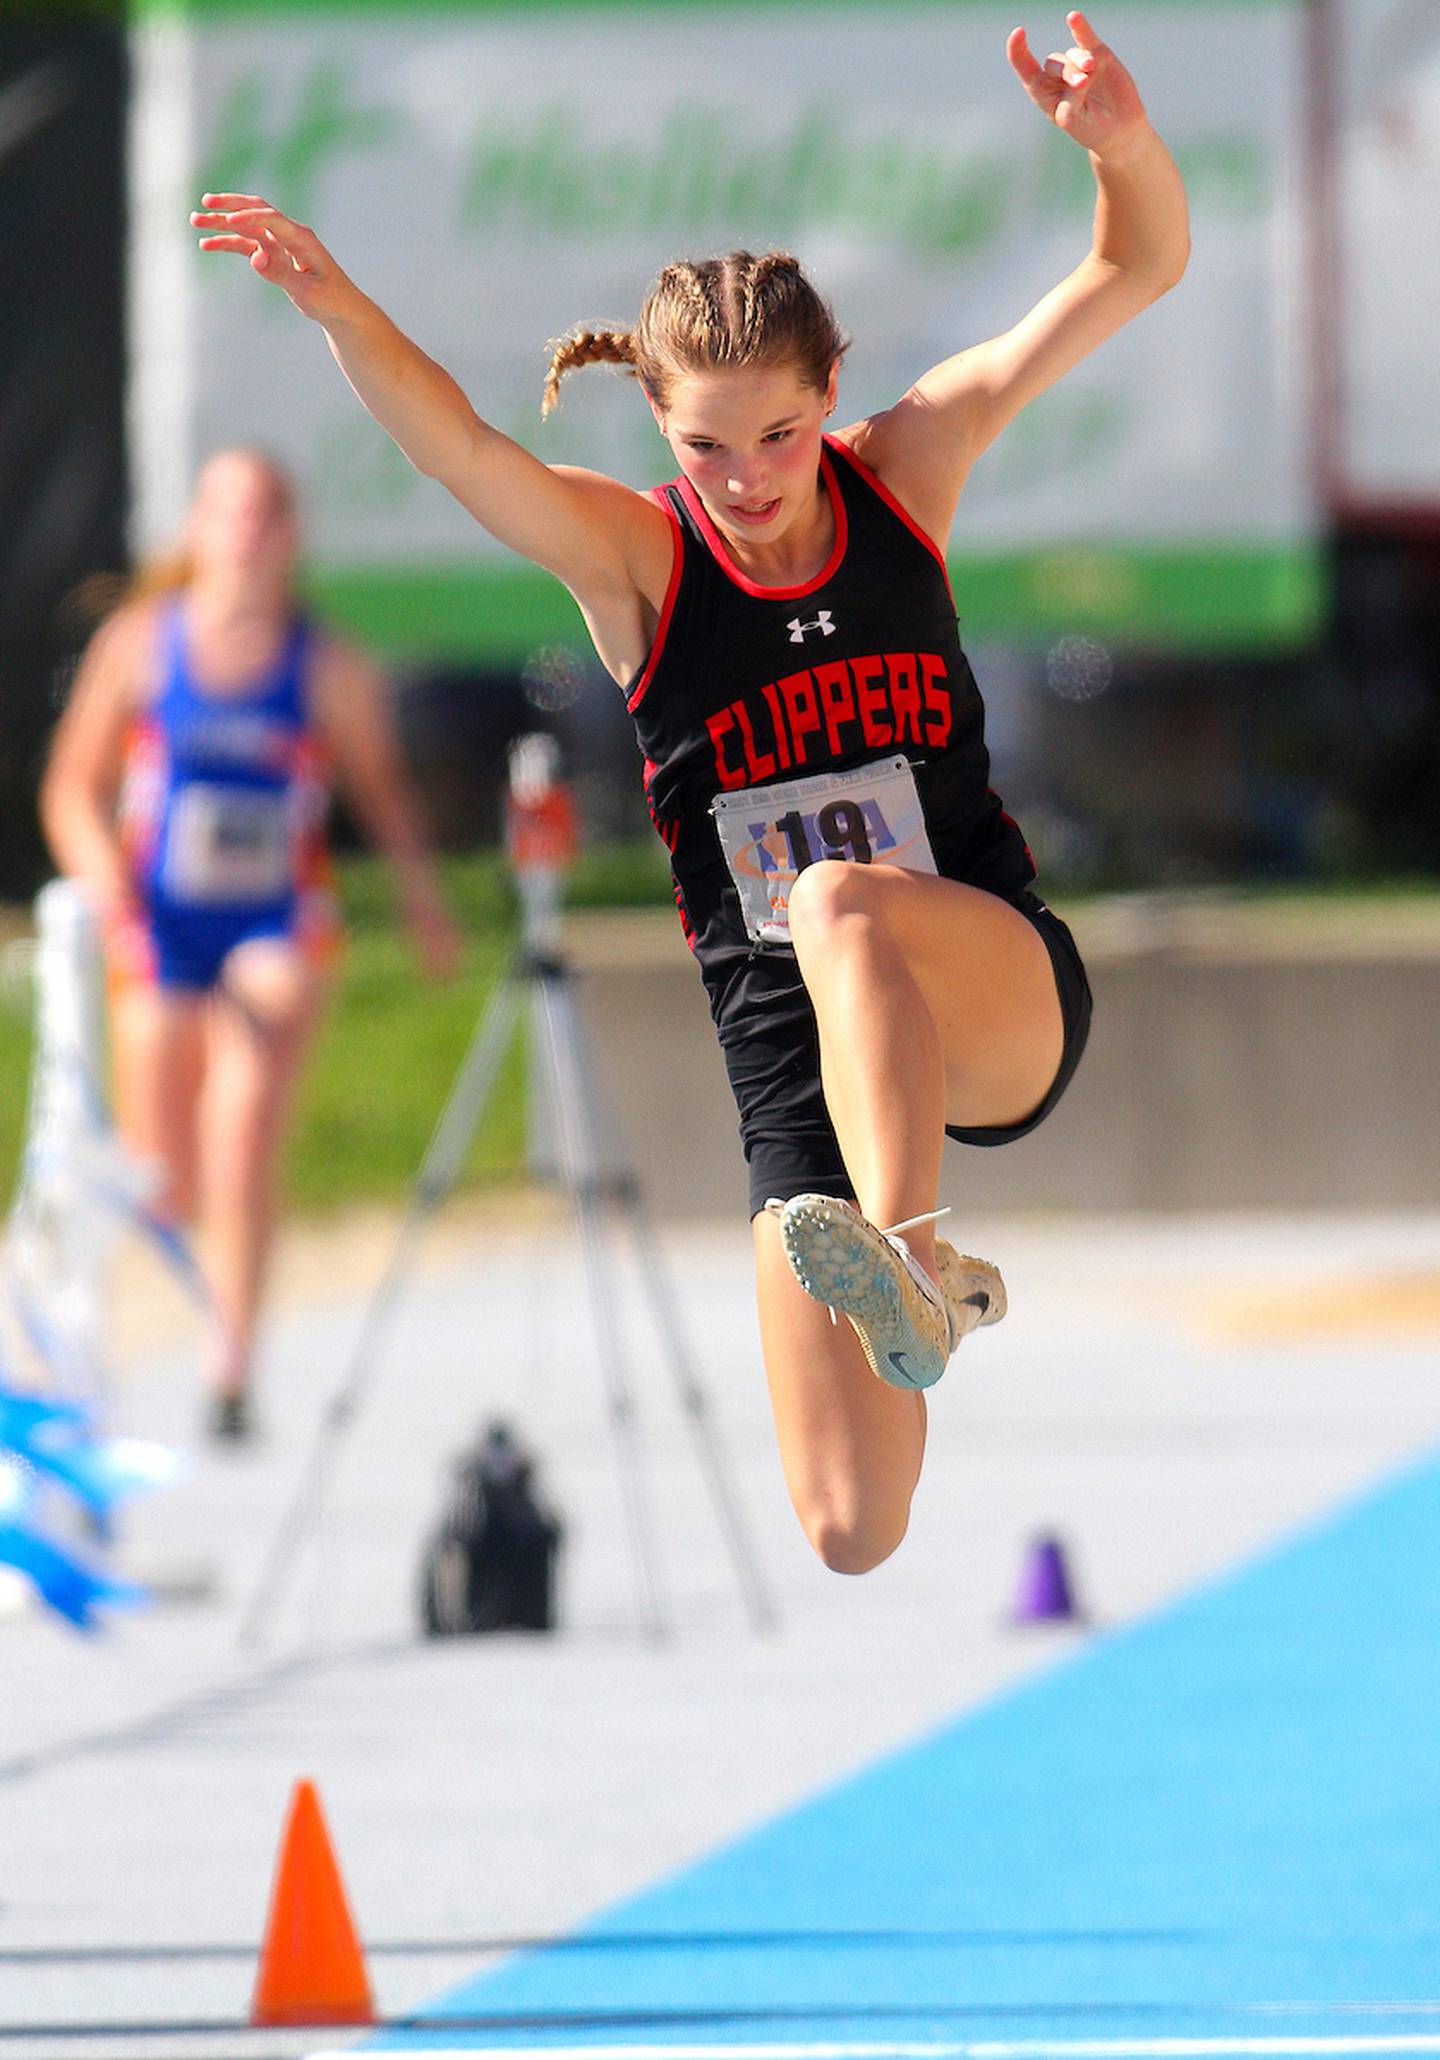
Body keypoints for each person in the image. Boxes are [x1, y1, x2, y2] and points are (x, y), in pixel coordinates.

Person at [190, 12, 1187, 1558]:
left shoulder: (905, 470)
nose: (752, 478)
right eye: (711, 445)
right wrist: (341, 312)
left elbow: (1131, 272)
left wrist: (1120, 150)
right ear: (660, 423)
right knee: (850, 1528)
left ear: (831, 390)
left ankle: (917, 1254)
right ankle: (909, 1292)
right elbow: (460, 449)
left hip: (981, 984)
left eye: (782, 433)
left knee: (845, 896)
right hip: (796, 1066)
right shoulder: (646, 563)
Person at [40, 448, 459, 1441]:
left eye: (267, 512)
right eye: (228, 511)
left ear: (291, 534)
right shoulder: (142, 643)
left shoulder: (326, 662)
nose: (247, 531)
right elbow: (69, 788)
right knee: (164, 1168)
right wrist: (108, 888)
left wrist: (422, 899)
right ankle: (162, 1301)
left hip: (274, 916)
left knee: (245, 1124)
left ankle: (232, 1358)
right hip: (164, 918)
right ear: (197, 527)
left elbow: (380, 791)